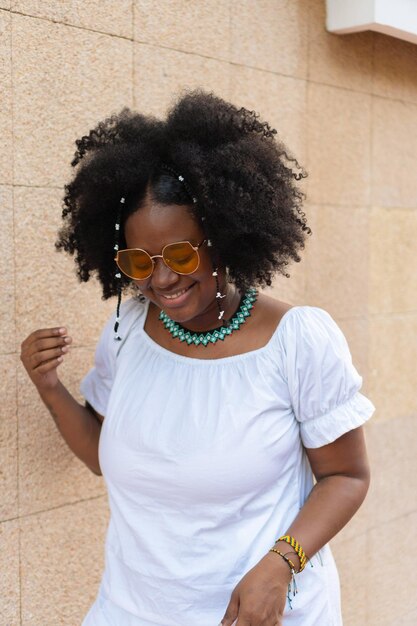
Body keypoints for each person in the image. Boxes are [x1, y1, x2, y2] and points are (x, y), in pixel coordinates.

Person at [20, 90, 375, 626]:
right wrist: (49, 386)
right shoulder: (126, 333)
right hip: (130, 612)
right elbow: (102, 456)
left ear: (223, 238)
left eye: (181, 253)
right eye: (138, 261)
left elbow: (346, 476)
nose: (161, 278)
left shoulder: (297, 340)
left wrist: (281, 564)